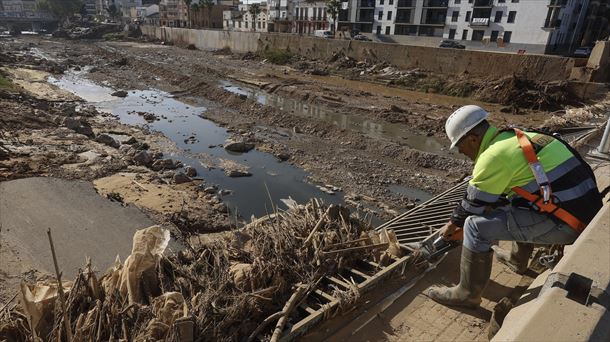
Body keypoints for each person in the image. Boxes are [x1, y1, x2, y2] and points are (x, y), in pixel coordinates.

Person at [425, 105, 603, 308]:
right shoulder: (519, 136)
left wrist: (450, 227)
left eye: (459, 145)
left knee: (474, 227)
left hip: (570, 225)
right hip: (586, 214)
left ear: (473, 138)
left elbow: (472, 207)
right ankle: (517, 260)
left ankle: (467, 294)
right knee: (509, 202)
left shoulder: (493, 156)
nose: (460, 151)